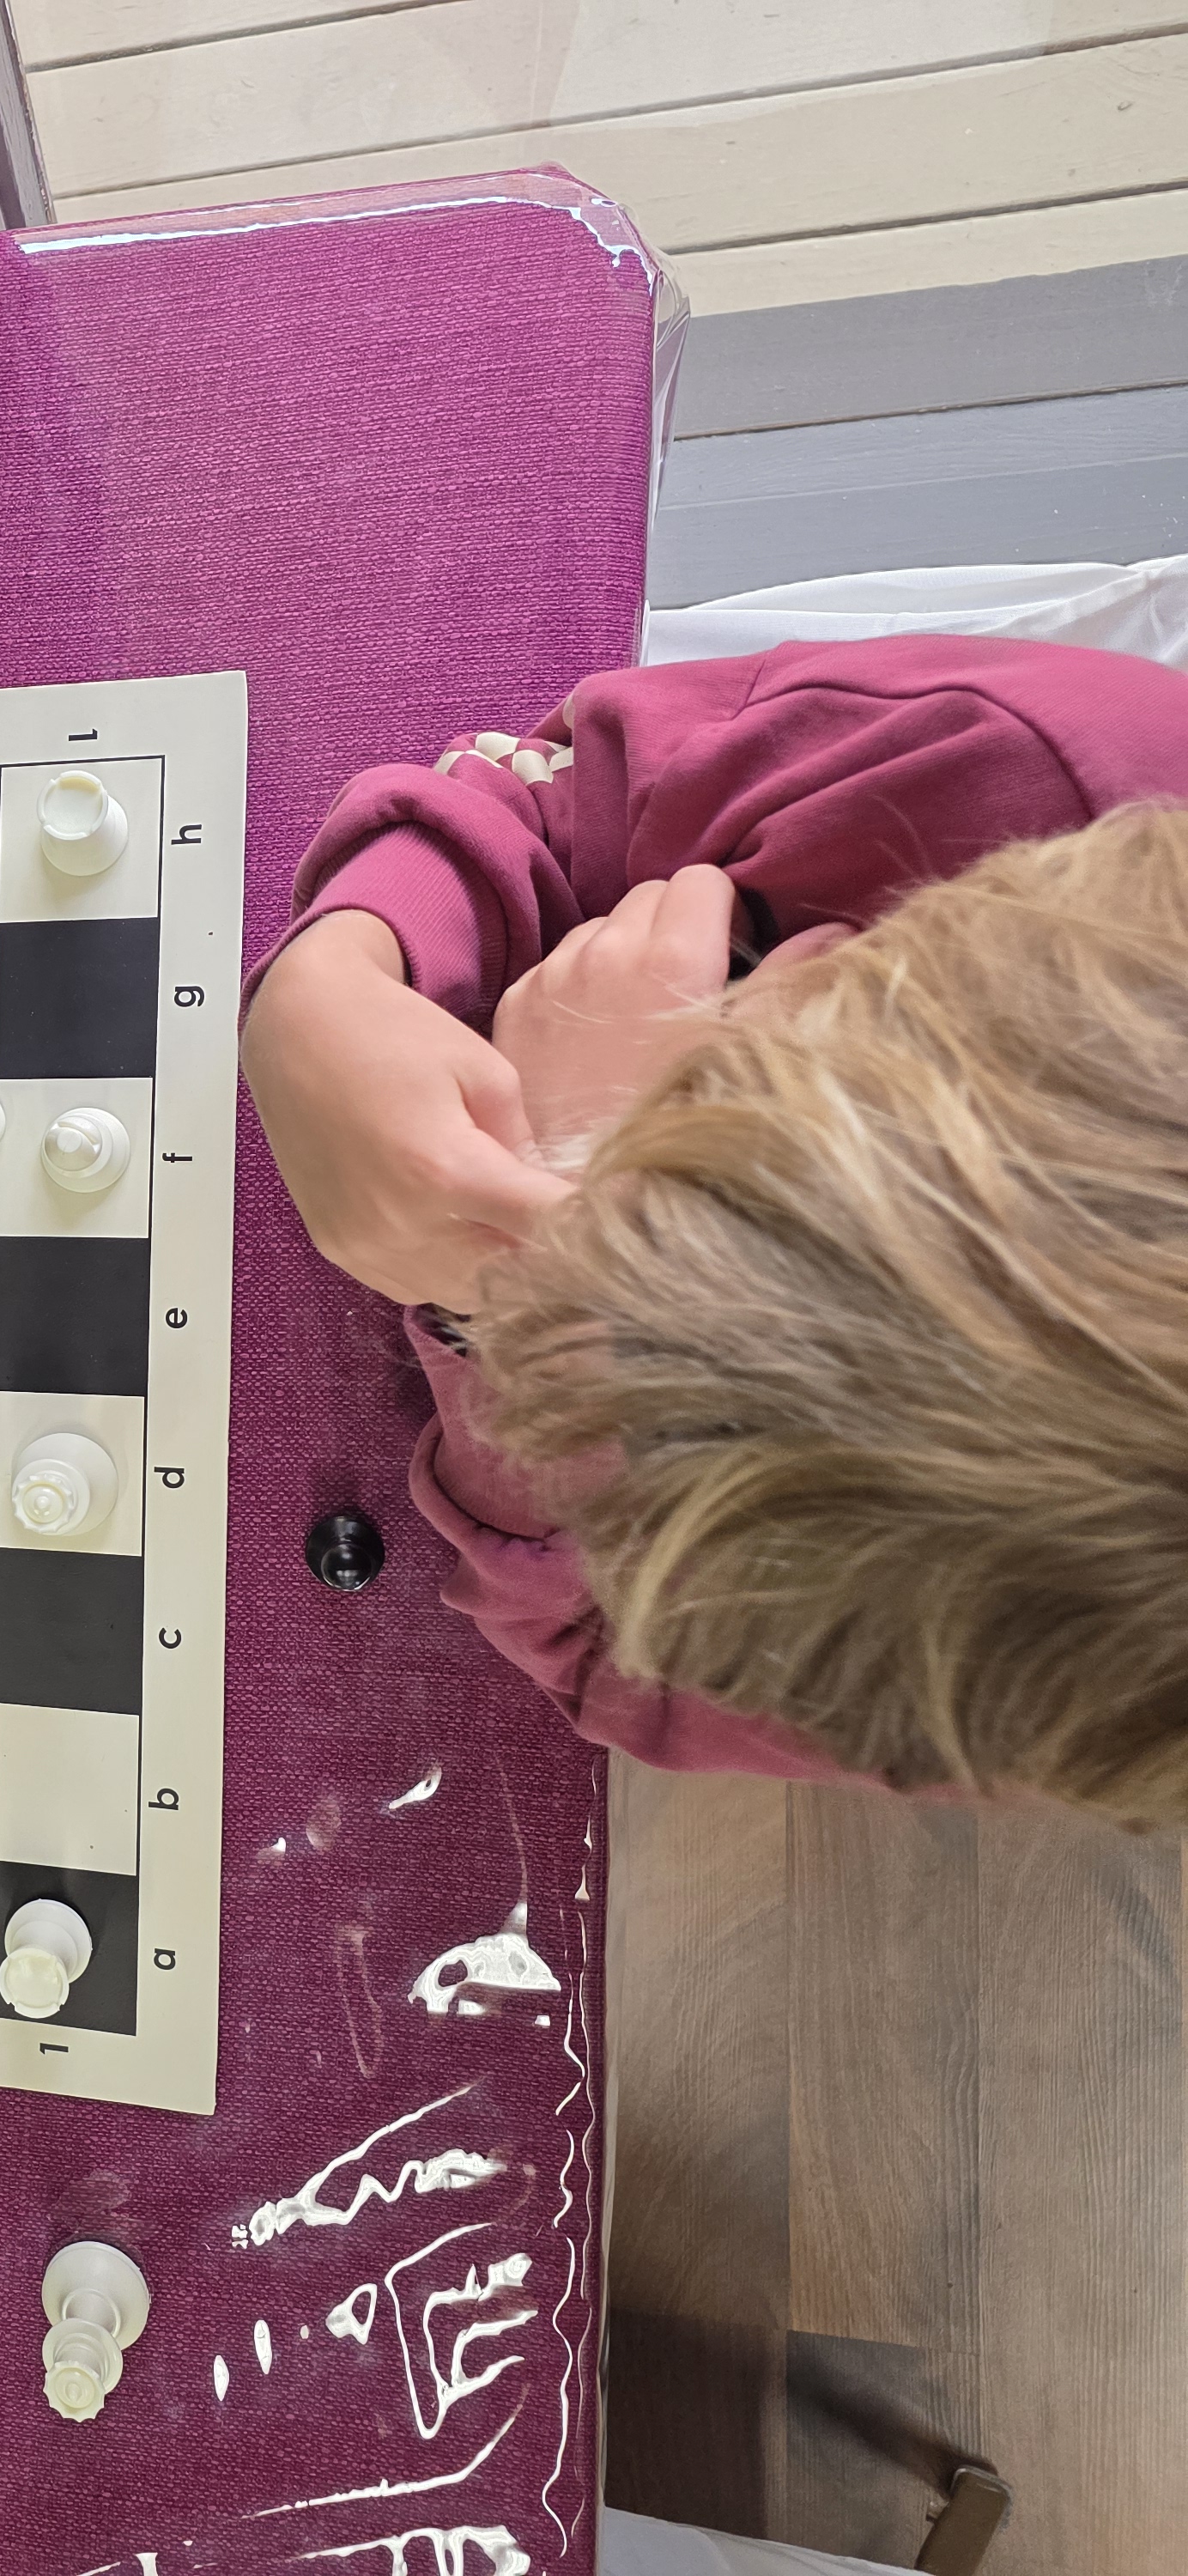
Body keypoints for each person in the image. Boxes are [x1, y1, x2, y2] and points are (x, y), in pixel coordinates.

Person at [240, 635, 1188, 1816]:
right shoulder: (1008, 760)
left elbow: (610, 1663)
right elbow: (551, 782)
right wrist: (339, 968)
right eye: (781, 1019)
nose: (731, 1016)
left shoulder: (1018, 1660)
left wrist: (534, 1309)